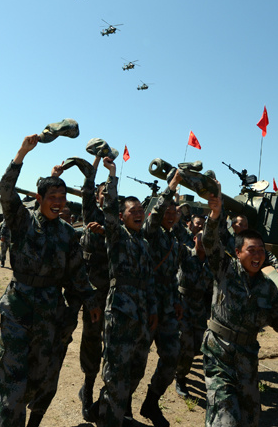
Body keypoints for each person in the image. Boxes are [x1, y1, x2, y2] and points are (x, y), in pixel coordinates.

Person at [0, 135, 99, 427]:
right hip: (18, 309)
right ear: (39, 199)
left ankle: (2, 392)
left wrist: (88, 301)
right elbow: (5, 190)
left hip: (50, 313)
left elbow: (77, 273)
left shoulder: (67, 233)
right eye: (52, 197)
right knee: (13, 380)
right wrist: (21, 154)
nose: (58, 203)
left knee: (40, 377)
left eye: (62, 198)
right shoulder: (22, 221)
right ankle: (1, 404)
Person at [202, 180, 278, 426]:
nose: (257, 255)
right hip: (219, 353)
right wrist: (215, 216)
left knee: (250, 417)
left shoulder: (267, 287)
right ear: (238, 252)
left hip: (247, 357)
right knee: (224, 416)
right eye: (251, 250)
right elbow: (210, 243)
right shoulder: (224, 269)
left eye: (261, 250)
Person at [94, 156, 158, 427]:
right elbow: (109, 209)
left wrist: (153, 309)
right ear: (122, 216)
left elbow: (150, 280)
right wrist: (112, 175)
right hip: (120, 312)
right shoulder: (117, 235)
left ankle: (107, 409)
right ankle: (109, 419)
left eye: (141, 210)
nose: (139, 213)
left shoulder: (144, 243)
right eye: (133, 211)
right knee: (115, 371)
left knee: (136, 371)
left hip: (142, 315)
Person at [138, 170, 185, 427]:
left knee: (172, 356)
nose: (170, 214)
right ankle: (121, 407)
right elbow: (154, 215)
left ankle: (151, 402)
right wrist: (172, 186)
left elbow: (172, 275)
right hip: (146, 307)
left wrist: (176, 299)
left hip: (166, 310)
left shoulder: (173, 240)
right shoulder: (152, 232)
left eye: (174, 212)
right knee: (136, 361)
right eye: (167, 211)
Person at [77, 156, 109, 421]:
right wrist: (96, 162)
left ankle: (106, 394)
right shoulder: (93, 215)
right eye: (103, 192)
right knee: (91, 340)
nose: (106, 195)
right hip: (93, 292)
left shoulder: (122, 222)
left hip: (117, 295)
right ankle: (87, 388)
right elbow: (87, 192)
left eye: (111, 192)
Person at [173, 213, 213, 399]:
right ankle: (180, 377)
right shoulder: (186, 254)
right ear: (194, 239)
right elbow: (176, 232)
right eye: (201, 239)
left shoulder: (211, 263)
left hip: (200, 309)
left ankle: (178, 363)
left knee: (198, 346)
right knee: (187, 345)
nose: (204, 243)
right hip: (183, 305)